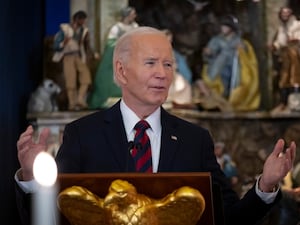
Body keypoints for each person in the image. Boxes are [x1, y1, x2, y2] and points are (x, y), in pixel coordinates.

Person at [16, 27, 296, 225]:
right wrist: (31, 177)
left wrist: (266, 185)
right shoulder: (82, 134)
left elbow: (230, 217)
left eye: (168, 64)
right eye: (151, 63)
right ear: (121, 71)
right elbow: (52, 216)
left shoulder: (195, 140)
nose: (162, 74)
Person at [201, 15, 260, 111]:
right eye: (222, 26)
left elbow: (246, 53)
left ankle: (232, 100)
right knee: (220, 81)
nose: (223, 28)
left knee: (234, 83)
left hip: (234, 67)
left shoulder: (238, 40)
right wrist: (208, 52)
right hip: (219, 66)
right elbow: (210, 52)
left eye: (226, 26)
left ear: (231, 28)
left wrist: (241, 49)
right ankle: (219, 100)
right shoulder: (217, 40)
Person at [88, 6, 138, 109]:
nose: (134, 16)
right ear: (127, 15)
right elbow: (110, 42)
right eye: (132, 14)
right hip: (119, 55)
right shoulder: (117, 27)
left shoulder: (135, 26)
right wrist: (122, 44)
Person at [52, 10, 96, 111]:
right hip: (68, 56)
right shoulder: (65, 30)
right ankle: (72, 103)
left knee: (86, 77)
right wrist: (63, 43)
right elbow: (56, 46)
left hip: (78, 56)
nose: (83, 22)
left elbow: (86, 45)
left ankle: (80, 99)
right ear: (77, 19)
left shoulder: (83, 31)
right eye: (82, 19)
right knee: (70, 80)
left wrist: (92, 53)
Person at [270, 6, 300, 113]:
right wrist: (274, 46)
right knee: (284, 79)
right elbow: (280, 42)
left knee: (295, 78)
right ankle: (283, 103)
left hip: (296, 56)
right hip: (286, 57)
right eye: (283, 13)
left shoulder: (297, 25)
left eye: (287, 13)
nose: (285, 15)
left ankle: (295, 104)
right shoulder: (281, 28)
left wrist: (295, 40)